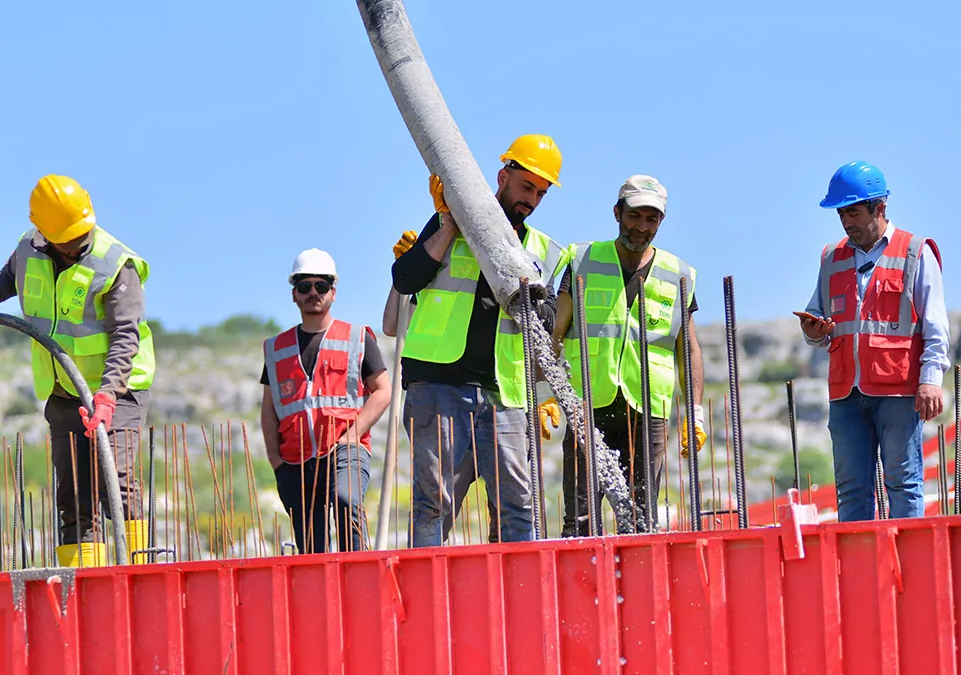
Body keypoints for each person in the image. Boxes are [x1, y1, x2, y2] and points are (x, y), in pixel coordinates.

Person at [0, 174, 155, 567]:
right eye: (66, 237)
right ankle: (83, 582)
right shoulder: (29, 249)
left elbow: (125, 337)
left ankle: (137, 572)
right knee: (73, 492)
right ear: (44, 233)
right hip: (64, 390)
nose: (75, 243)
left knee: (114, 478)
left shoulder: (116, 264)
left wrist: (108, 395)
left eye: (80, 235)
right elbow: (6, 277)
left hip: (119, 390)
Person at [391, 134, 568, 546]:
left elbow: (544, 325)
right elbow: (405, 280)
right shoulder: (446, 223)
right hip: (437, 383)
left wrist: (526, 284)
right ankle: (426, 596)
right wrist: (448, 228)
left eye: (541, 193)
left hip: (504, 394)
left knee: (518, 508)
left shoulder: (542, 251)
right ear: (503, 176)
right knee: (434, 503)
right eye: (526, 187)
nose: (532, 200)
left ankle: (519, 597)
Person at [553, 175, 706, 535]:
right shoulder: (583, 260)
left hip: (646, 408)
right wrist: (547, 393)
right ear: (618, 213)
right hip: (588, 402)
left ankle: (635, 590)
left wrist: (694, 414)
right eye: (635, 216)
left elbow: (689, 349)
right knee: (579, 520)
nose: (642, 227)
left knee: (641, 522)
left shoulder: (679, 274)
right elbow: (555, 333)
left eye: (651, 219)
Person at [797, 161, 950, 522]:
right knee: (851, 489)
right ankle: (858, 574)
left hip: (898, 392)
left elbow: (936, 325)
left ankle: (909, 571)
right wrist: (814, 332)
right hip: (847, 394)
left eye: (853, 212)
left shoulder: (915, 252)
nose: (846, 222)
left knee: (903, 483)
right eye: (841, 215)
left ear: (879, 208)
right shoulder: (831, 259)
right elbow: (818, 320)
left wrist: (931, 380)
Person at [260, 248, 391, 554]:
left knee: (347, 501)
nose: (313, 293)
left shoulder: (357, 338)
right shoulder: (276, 349)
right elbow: (269, 409)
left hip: (344, 449)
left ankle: (357, 575)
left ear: (333, 291)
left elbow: (383, 390)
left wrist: (353, 435)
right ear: (294, 294)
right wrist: (276, 461)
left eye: (321, 286)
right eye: (305, 287)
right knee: (310, 545)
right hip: (295, 459)